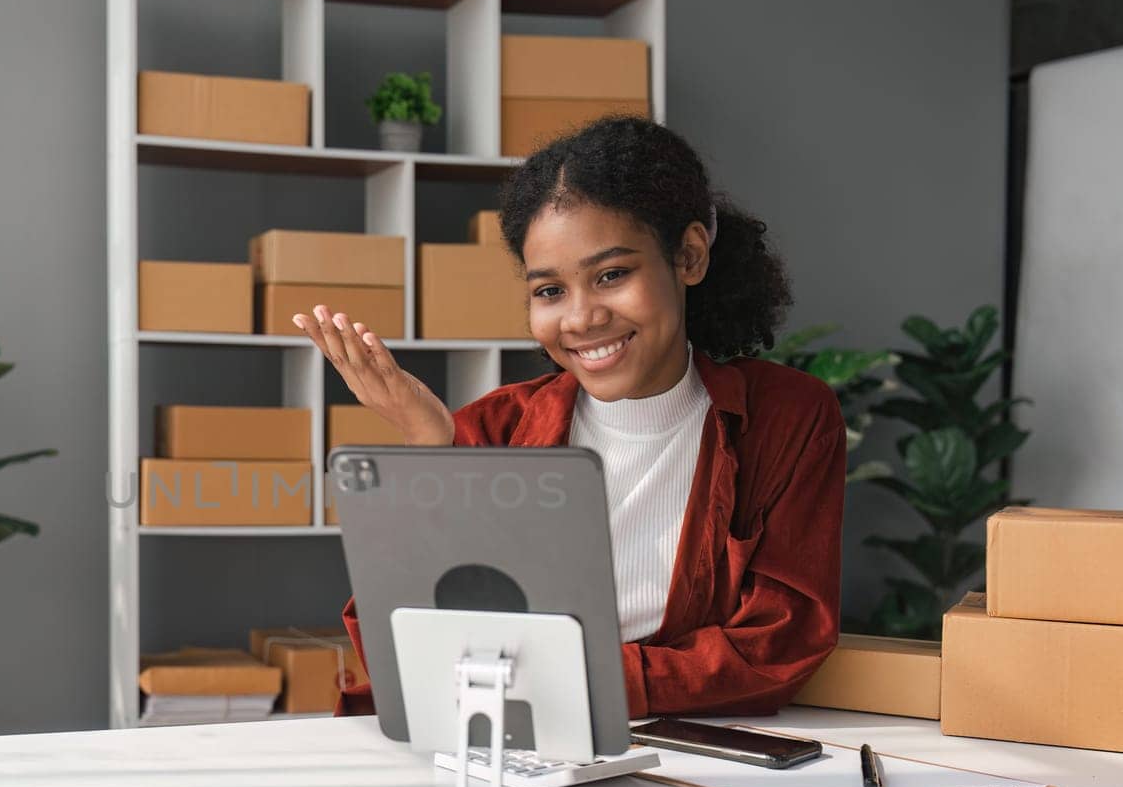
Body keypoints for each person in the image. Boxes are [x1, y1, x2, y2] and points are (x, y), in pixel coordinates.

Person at [294, 116, 845, 718]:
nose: (580, 318)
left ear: (688, 255)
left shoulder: (786, 418)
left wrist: (572, 680)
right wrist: (430, 444)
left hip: (683, 750)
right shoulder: (494, 428)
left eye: (611, 275)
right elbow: (406, 645)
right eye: (550, 291)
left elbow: (777, 646)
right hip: (499, 741)